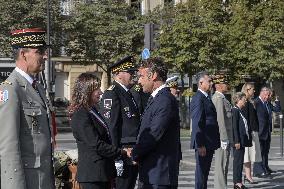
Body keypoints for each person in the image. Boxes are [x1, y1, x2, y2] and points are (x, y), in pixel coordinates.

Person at [0, 28, 55, 189]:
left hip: (42, 179)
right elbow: (8, 146)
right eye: (39, 51)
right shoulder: (11, 89)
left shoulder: (36, 87)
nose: (45, 56)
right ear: (24, 54)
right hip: (28, 181)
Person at [69, 73, 130, 189]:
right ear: (87, 90)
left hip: (102, 172)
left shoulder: (92, 110)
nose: (101, 92)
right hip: (93, 174)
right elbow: (95, 144)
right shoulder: (80, 113)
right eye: (96, 89)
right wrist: (120, 152)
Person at [131, 57, 181, 189]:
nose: (139, 80)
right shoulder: (157, 98)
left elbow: (153, 134)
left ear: (153, 76)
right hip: (152, 172)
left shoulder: (164, 100)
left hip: (160, 175)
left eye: (141, 76)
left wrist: (134, 153)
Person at [100, 55, 140, 189]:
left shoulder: (128, 93)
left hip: (131, 150)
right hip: (122, 151)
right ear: (118, 74)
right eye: (130, 72)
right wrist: (116, 155)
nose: (133, 75)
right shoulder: (112, 93)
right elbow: (111, 127)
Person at [190, 71, 220, 189]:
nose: (211, 83)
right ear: (201, 82)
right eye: (209, 81)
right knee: (201, 174)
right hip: (204, 143)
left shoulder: (206, 97)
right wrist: (200, 144)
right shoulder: (198, 98)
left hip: (209, 141)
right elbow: (197, 122)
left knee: (205, 174)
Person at [253, 87, 281, 176]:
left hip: (267, 130)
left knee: (265, 150)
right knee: (260, 151)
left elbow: (277, 109)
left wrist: (277, 100)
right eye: (267, 95)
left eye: (269, 95)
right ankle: (259, 170)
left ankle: (265, 167)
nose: (268, 97)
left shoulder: (267, 102)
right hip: (260, 130)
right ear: (262, 93)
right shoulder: (256, 102)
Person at [212, 74, 233, 189]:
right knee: (221, 164)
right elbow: (220, 120)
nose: (227, 85)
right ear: (219, 85)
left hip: (225, 137)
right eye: (225, 83)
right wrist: (223, 138)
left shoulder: (222, 98)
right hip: (222, 138)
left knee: (224, 164)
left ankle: (222, 185)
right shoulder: (218, 99)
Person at [241, 83, 262, 183]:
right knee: (247, 155)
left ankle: (248, 175)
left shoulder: (251, 102)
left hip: (253, 131)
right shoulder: (244, 102)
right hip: (248, 132)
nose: (254, 91)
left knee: (251, 155)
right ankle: (248, 176)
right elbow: (245, 119)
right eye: (252, 89)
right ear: (247, 90)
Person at [232, 92, 252, 189]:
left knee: (240, 162)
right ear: (239, 99)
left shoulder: (240, 110)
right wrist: (236, 141)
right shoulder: (235, 110)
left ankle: (238, 182)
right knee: (237, 162)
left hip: (242, 141)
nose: (245, 101)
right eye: (244, 99)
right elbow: (234, 127)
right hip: (238, 142)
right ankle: (237, 182)